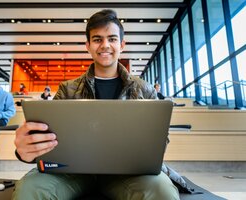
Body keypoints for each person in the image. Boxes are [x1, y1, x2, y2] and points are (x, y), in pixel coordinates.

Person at [12, 9, 179, 200]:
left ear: (122, 45)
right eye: (98, 39)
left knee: (161, 190)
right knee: (30, 188)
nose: (105, 45)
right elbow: (46, 140)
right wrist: (24, 152)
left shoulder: (145, 90)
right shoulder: (67, 89)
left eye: (112, 39)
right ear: (88, 46)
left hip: (127, 173)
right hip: (73, 173)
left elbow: (159, 143)